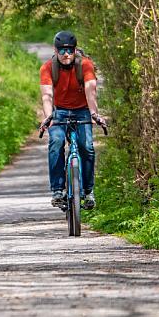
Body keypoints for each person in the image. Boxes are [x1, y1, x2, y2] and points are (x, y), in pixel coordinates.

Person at [39, 30, 104, 210]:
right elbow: (47, 96)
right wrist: (48, 117)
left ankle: (88, 190)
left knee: (87, 146)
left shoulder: (85, 65)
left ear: (75, 50)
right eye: (62, 51)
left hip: (83, 111)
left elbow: (91, 92)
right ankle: (58, 190)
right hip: (59, 112)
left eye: (70, 50)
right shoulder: (47, 68)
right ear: (55, 50)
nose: (66, 54)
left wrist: (94, 114)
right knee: (56, 142)